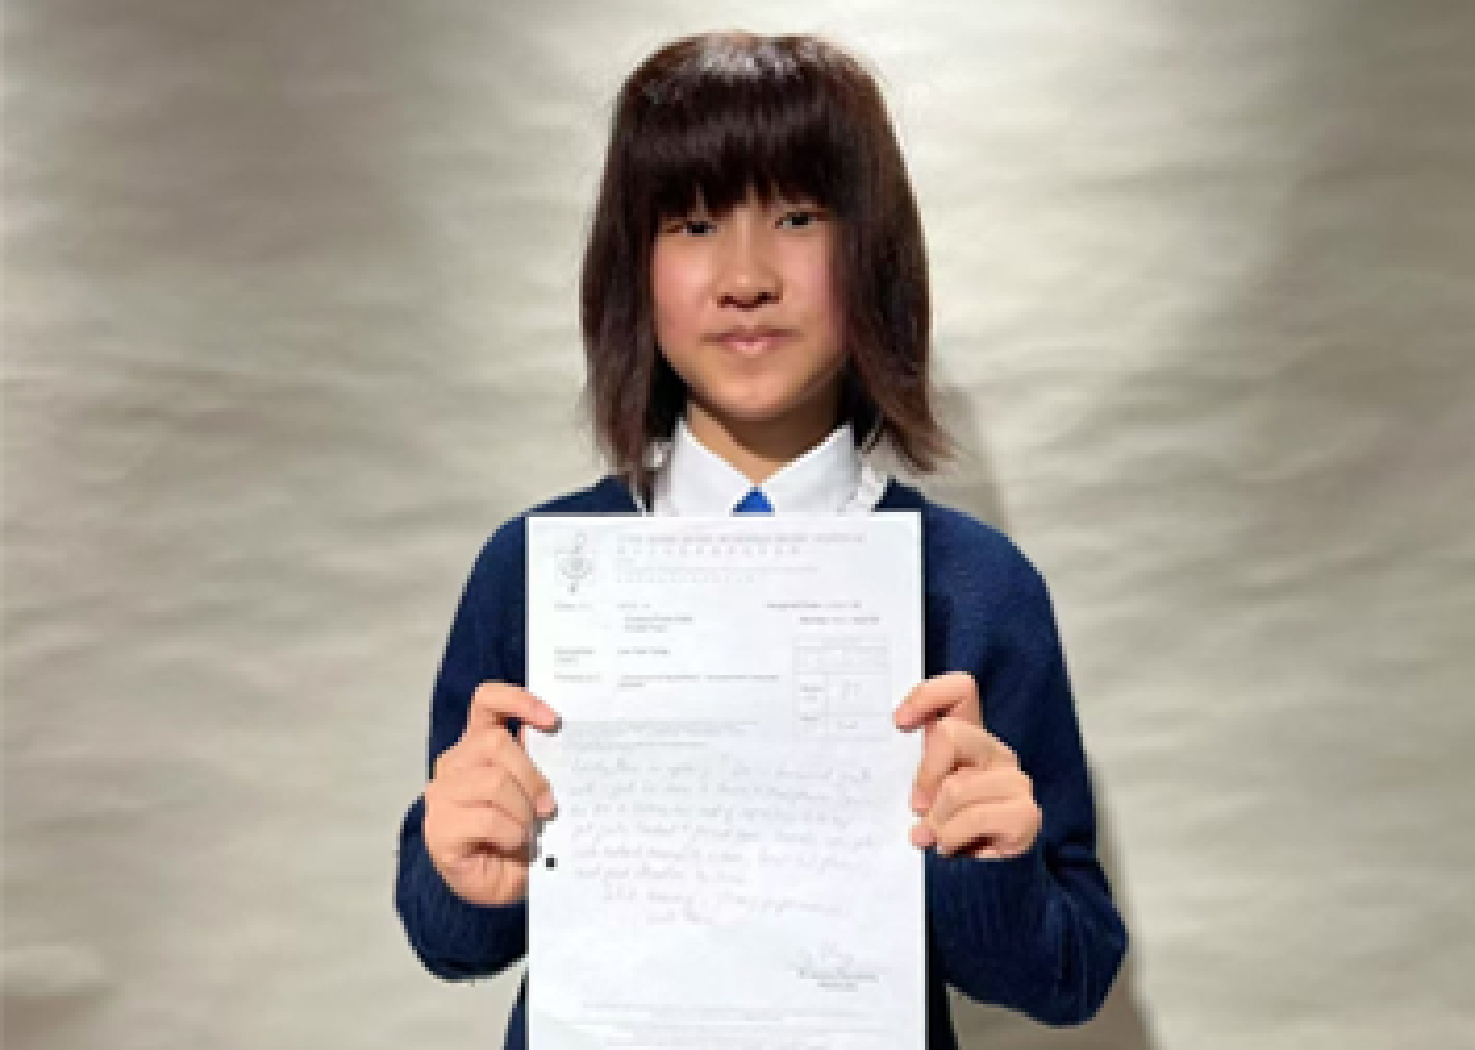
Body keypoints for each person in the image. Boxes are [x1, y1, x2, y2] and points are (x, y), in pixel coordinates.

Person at [395, 32, 1127, 1049]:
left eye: (796, 217)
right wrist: (461, 869)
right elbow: (450, 938)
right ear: (634, 269)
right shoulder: (535, 568)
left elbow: (1071, 972)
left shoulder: (971, 586)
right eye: (693, 223)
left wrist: (989, 864)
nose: (744, 277)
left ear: (871, 253)